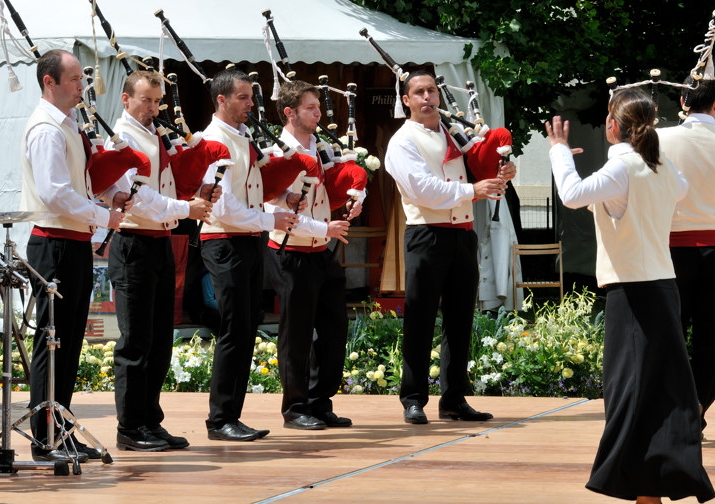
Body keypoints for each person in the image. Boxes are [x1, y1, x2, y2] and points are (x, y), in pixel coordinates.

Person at [546, 88, 715, 504]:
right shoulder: (660, 166)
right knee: (654, 393)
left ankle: (641, 483)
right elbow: (677, 190)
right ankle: (649, 488)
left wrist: (559, 149)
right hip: (660, 288)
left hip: (634, 295)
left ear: (611, 126)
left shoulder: (622, 166)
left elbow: (570, 194)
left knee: (629, 393)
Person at [383, 69, 515, 425]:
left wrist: (502, 169)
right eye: (419, 93)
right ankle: (413, 398)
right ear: (406, 100)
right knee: (421, 317)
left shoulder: (454, 132)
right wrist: (475, 190)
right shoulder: (402, 141)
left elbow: (477, 170)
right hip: (426, 234)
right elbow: (421, 189)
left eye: (432, 91)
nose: (428, 98)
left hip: (463, 232)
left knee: (460, 320)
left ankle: (454, 398)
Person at [20, 49, 125, 462]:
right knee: (53, 343)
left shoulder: (65, 126)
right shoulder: (46, 128)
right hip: (54, 245)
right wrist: (104, 215)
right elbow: (54, 193)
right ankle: (46, 438)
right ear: (50, 81)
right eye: (75, 79)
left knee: (67, 342)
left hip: (70, 243)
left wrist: (107, 196)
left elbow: (75, 186)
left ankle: (59, 429)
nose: (82, 86)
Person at [107, 70, 216, 450]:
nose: (153, 108)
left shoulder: (155, 135)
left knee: (158, 340)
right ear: (126, 99)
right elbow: (137, 197)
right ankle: (130, 427)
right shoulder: (119, 139)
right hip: (134, 242)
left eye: (157, 101)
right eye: (145, 100)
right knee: (136, 341)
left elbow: (167, 186)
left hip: (160, 242)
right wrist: (188, 208)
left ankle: (150, 421)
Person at [199, 68, 299, 441]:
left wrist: (279, 198)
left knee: (245, 325)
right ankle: (220, 418)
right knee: (233, 328)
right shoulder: (213, 141)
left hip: (246, 238)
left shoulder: (241, 137)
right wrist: (271, 216)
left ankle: (230, 416)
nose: (251, 104)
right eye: (243, 97)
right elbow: (223, 208)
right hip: (224, 240)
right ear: (221, 100)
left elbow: (249, 190)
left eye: (251, 96)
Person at [265, 80, 363, 430]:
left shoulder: (322, 145)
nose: (318, 112)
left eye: (318, 106)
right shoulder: (277, 150)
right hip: (290, 251)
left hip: (322, 250)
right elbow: (269, 201)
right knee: (297, 335)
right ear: (289, 112)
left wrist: (353, 200)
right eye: (310, 107)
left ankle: (321, 401)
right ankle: (295, 408)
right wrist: (325, 229)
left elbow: (332, 192)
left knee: (335, 329)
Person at [657, 77, 715, 427]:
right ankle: (698, 406)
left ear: (683, 101)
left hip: (671, 246)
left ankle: (675, 407)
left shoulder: (661, 137)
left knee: (672, 331)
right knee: (710, 335)